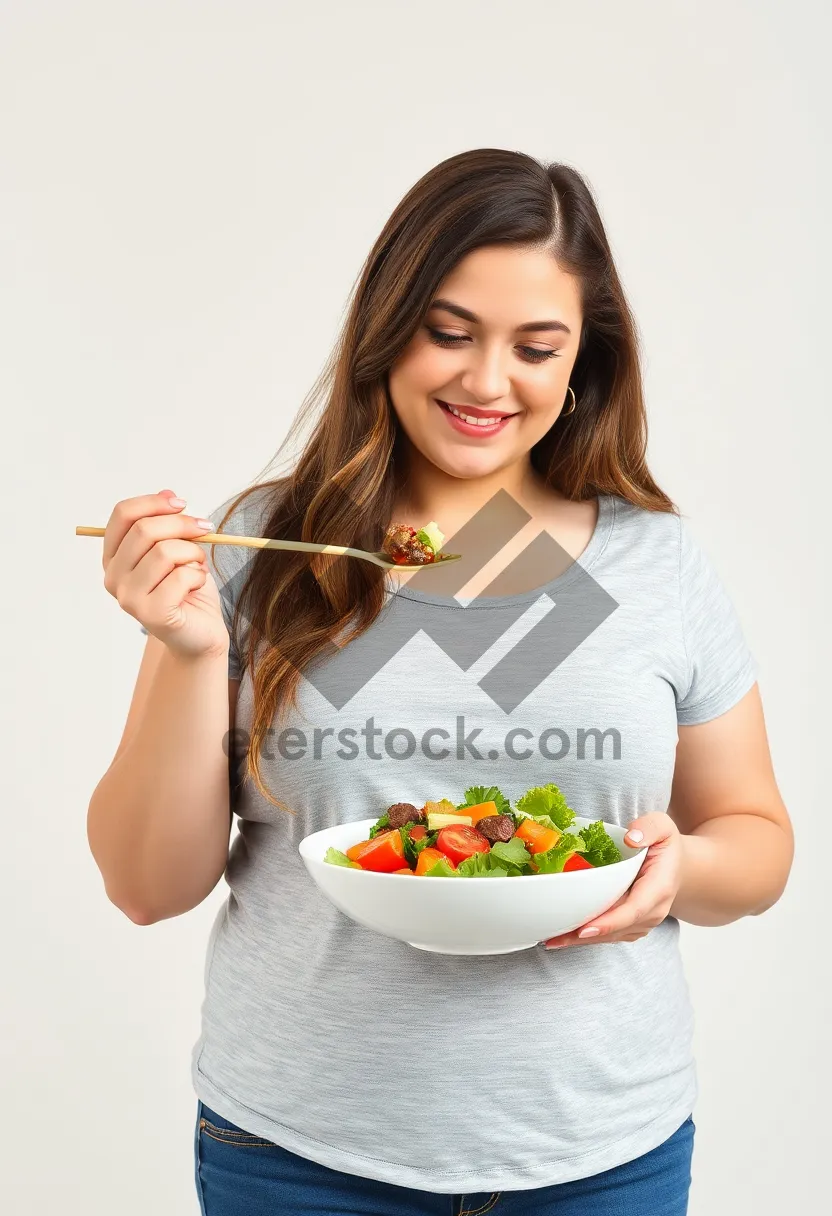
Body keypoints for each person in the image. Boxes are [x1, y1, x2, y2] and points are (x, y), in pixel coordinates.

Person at [86, 149, 794, 1216]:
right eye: (448, 332)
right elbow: (148, 886)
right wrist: (187, 647)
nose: (484, 382)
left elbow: (755, 836)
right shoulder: (262, 547)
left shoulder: (656, 561)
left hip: (600, 1151)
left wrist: (678, 868)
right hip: (300, 1152)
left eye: (534, 347)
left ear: (581, 362)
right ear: (387, 327)